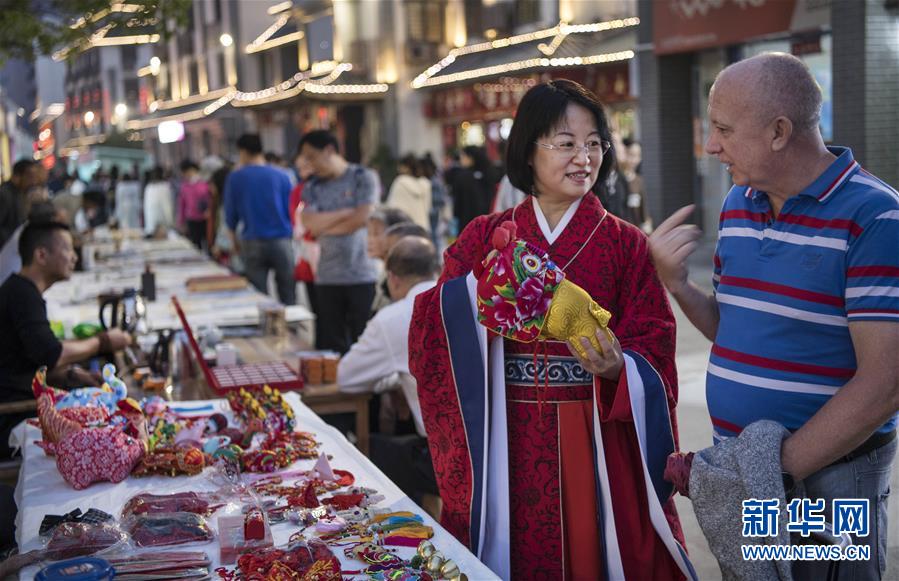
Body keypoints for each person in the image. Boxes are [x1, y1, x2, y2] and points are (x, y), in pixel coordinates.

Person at [409, 79, 693, 580]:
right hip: (502, 435)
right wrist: (483, 288)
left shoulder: (626, 245)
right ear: (528, 149)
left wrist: (619, 367)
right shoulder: (484, 235)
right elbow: (433, 326)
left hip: (593, 434)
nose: (583, 157)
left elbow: (655, 343)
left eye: (594, 144)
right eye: (565, 144)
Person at [649, 52, 899, 580]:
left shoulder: (876, 217)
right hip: (756, 471)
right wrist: (678, 285)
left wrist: (775, 471)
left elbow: (886, 382)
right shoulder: (739, 204)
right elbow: (734, 330)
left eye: (723, 130)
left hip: (828, 480)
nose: (711, 146)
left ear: (779, 132)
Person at [0, 221, 131, 459]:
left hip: (25, 400)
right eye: (68, 249)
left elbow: (28, 359)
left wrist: (69, 374)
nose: (74, 257)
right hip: (14, 416)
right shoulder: (22, 295)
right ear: (41, 255)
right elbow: (52, 353)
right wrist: (103, 342)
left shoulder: (21, 290)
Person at [337, 236, 439, 503]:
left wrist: (394, 378)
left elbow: (346, 378)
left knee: (367, 450)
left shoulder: (394, 318)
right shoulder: (465, 299)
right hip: (493, 446)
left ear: (392, 278)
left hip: (443, 456)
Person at [298, 130, 379, 353]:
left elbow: (363, 218)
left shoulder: (363, 177)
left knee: (364, 344)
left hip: (361, 274)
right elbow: (309, 223)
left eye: (311, 156)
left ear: (329, 150)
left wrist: (325, 227)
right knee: (331, 347)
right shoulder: (312, 187)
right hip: (326, 277)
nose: (309, 163)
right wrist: (347, 213)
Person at [224, 134, 295, 305]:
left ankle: (268, 329)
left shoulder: (236, 178)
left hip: (253, 240)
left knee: (259, 295)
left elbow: (230, 214)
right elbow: (291, 210)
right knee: (288, 293)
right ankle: (291, 329)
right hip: (282, 240)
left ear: (243, 151)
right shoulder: (281, 175)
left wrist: (233, 242)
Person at [0, 160, 47, 248]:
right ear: (17, 176)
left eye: (35, 177)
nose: (34, 182)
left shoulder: (20, 192)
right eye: (30, 177)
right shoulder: (4, 194)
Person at [450, 145, 496, 233]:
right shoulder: (488, 174)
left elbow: (457, 204)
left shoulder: (462, 177)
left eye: (463, 156)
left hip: (466, 223)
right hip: (486, 222)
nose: (461, 159)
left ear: (471, 158)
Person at [386, 154, 431, 231]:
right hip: (422, 227)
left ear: (406, 167)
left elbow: (392, 207)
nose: (398, 168)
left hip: (404, 228)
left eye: (400, 166)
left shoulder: (400, 182)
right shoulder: (425, 183)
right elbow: (428, 207)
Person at [177, 160, 211, 250]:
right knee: (195, 245)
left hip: (205, 218)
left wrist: (209, 210)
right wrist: (181, 222)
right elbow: (182, 205)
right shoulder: (184, 186)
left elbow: (210, 199)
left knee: (209, 243)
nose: (186, 175)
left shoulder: (204, 183)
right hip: (191, 219)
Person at [143, 167, 175, 238]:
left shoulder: (148, 187)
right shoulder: (165, 186)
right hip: (163, 224)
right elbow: (167, 207)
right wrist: (171, 222)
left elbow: (145, 208)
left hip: (150, 224)